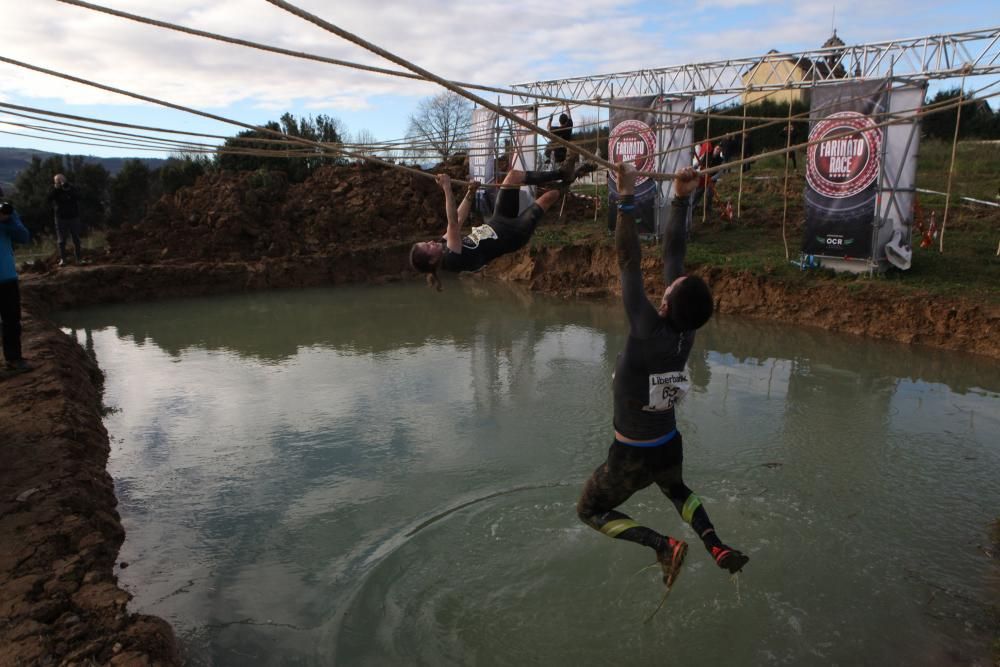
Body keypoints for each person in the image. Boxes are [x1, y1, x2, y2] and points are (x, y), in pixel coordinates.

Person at [576, 162, 748, 590]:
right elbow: (673, 255)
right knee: (677, 492)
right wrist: (681, 197)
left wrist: (626, 197)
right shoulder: (685, 330)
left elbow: (629, 260)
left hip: (631, 455)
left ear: (668, 304)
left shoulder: (646, 329)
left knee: (589, 511)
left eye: (670, 288)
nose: (669, 283)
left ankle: (661, 545)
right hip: (668, 443)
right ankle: (715, 544)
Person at [410, 161, 591, 289]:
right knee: (547, 198)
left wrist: (470, 193)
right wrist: (447, 189)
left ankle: (562, 173)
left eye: (427, 242)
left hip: (498, 221)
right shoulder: (451, 260)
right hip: (513, 235)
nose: (431, 242)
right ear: (432, 260)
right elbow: (453, 224)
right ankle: (571, 179)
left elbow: (459, 217)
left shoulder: (442, 246)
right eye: (428, 247)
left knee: (512, 177)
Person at [0, 201, 32, 373]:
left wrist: (9, 220)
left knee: (12, 320)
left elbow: (24, 237)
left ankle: (13, 358)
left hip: (6, 277)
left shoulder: (8, 217)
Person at [48, 173, 83, 267]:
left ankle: (79, 259)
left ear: (65, 179)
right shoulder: (55, 190)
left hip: (73, 216)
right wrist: (57, 189)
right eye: (58, 180)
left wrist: (68, 189)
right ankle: (63, 260)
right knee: (61, 240)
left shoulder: (72, 187)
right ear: (55, 182)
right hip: (61, 218)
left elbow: (79, 197)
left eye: (61, 180)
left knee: (76, 238)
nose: (60, 182)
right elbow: (49, 198)